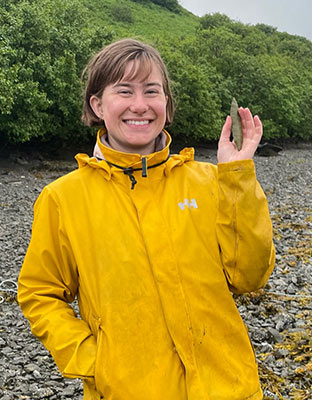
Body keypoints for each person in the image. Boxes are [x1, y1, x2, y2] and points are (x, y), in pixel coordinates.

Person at [18, 38, 275, 400]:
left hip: (228, 387)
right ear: (97, 104)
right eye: (124, 91)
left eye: (151, 91)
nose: (140, 105)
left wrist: (238, 180)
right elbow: (38, 293)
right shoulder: (63, 198)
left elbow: (249, 277)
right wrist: (93, 360)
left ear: (166, 105)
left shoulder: (211, 182)